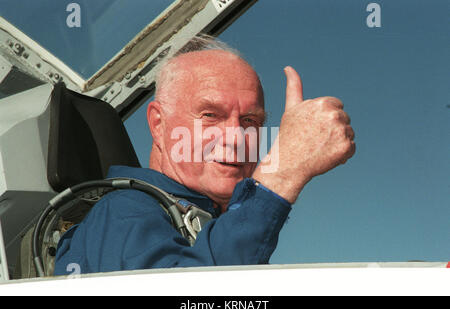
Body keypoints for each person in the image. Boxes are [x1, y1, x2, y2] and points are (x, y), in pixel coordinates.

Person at [54, 35, 355, 275]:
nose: (237, 137)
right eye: (211, 114)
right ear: (158, 124)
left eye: (250, 121)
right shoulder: (123, 212)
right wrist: (281, 175)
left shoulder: (207, 227)